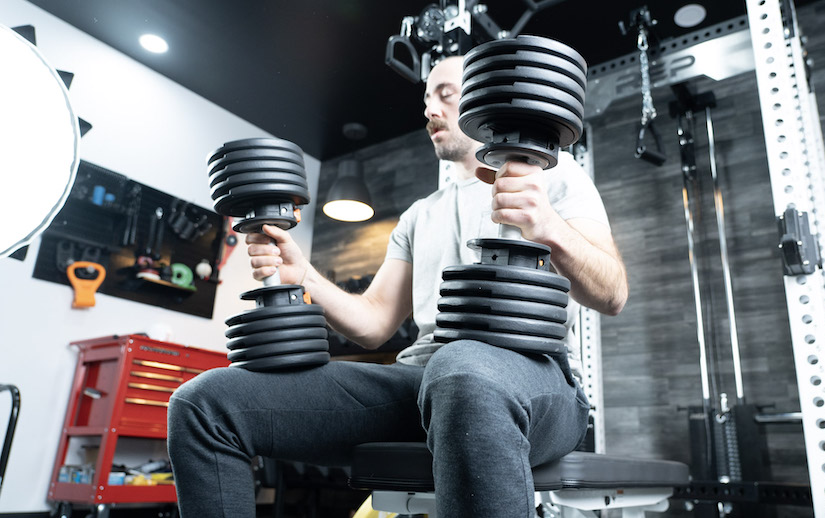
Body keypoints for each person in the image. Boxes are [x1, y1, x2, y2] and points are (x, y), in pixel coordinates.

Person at [167, 55, 628, 518]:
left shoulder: (556, 174)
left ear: (487, 97)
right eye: (426, 98)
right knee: (203, 404)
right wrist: (302, 274)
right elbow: (372, 324)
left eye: (445, 94)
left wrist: (547, 224)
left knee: (461, 368)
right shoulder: (418, 215)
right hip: (422, 383)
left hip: (537, 381)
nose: (430, 109)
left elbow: (612, 293)